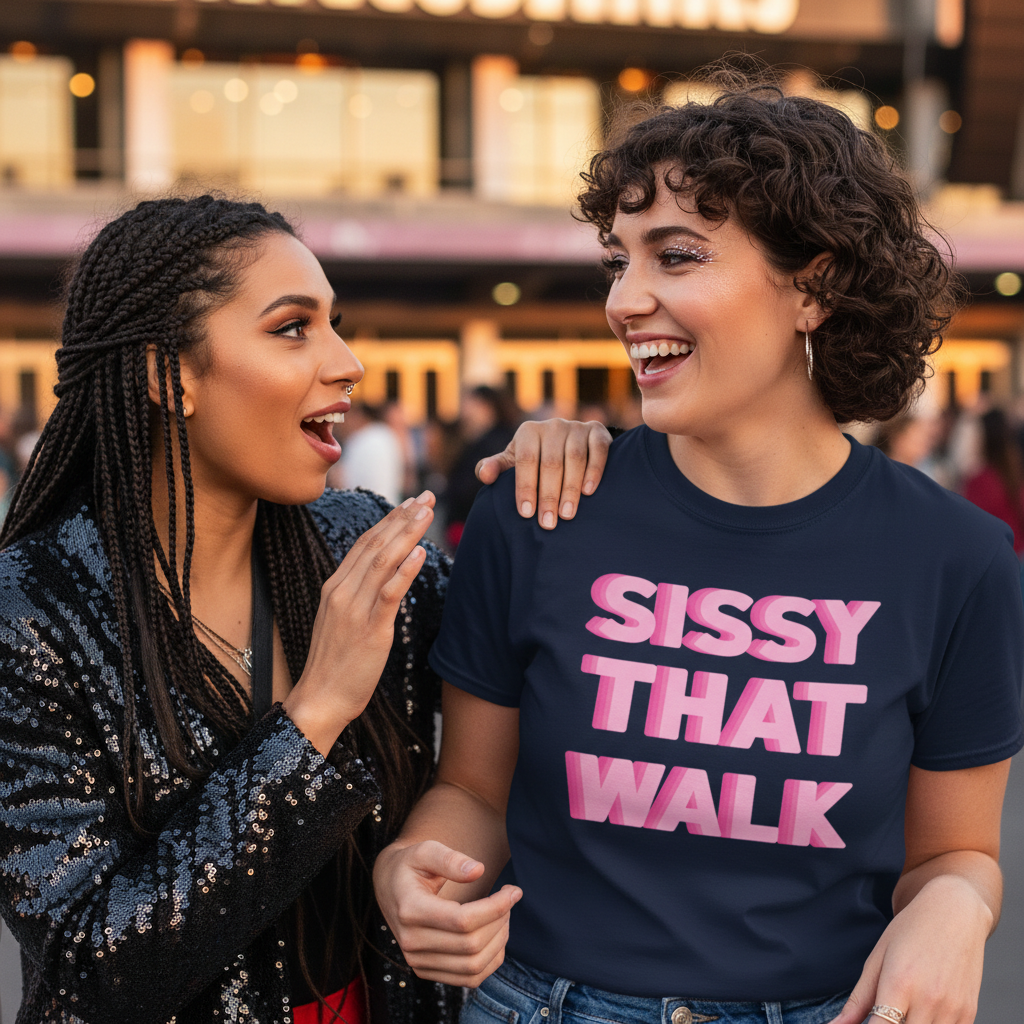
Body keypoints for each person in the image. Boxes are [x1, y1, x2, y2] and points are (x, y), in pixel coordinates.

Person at [373, 75, 1024, 1024]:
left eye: (676, 256)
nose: (624, 300)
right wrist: (412, 869)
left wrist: (959, 903)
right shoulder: (539, 509)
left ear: (816, 287)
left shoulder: (957, 559)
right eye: (618, 260)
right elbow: (472, 789)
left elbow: (954, 854)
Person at [0, 195, 612, 1024]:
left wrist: (570, 479)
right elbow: (91, 970)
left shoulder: (363, 545)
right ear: (167, 374)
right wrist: (315, 712)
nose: (347, 362)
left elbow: (551, 683)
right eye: (293, 328)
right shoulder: (31, 610)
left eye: (334, 325)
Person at [963, 408, 1024, 556]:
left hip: (996, 556)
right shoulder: (1013, 471)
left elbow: (969, 525)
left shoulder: (979, 481)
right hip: (1016, 552)